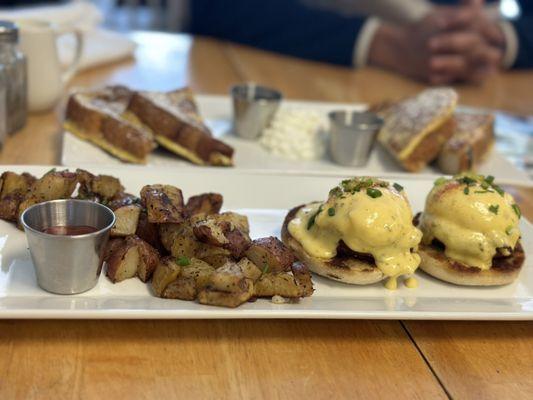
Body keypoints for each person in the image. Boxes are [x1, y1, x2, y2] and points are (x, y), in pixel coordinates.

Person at [185, 0, 532, 84]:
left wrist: (500, 40)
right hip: (302, 65)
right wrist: (382, 43)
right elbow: (214, 7)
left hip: (483, 78)